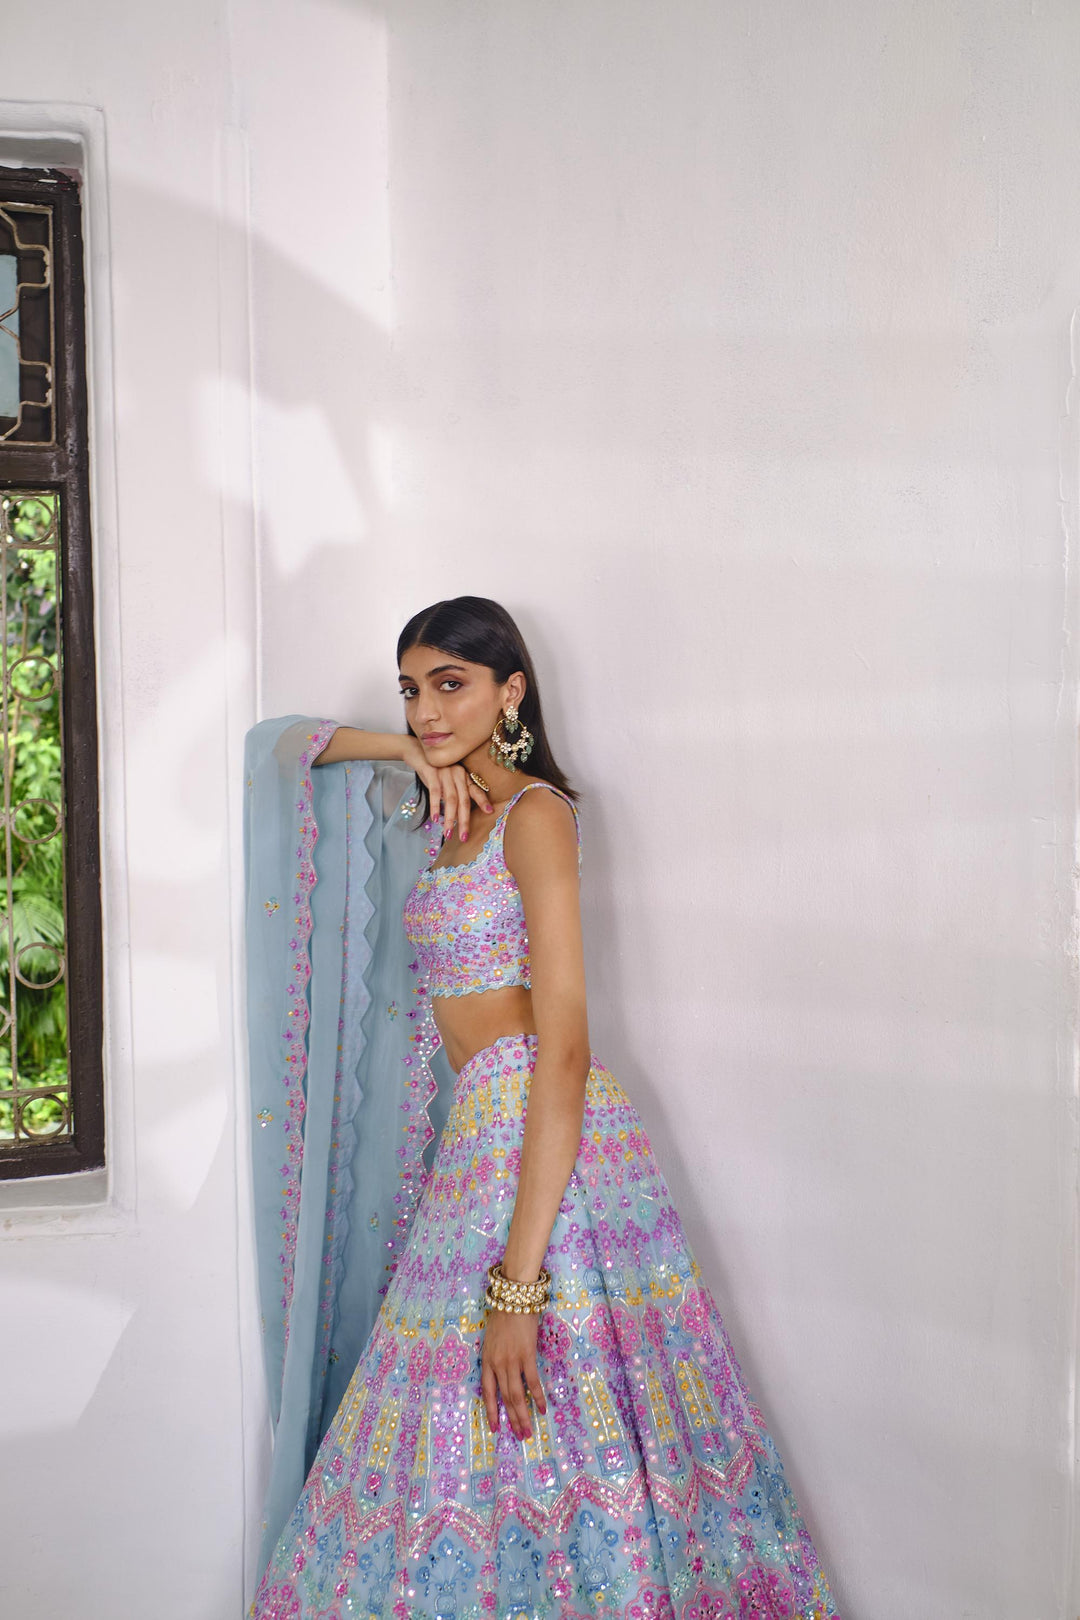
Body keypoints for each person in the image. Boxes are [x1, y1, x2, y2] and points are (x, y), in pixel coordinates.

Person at [245, 596, 840, 1619]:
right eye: (411, 690)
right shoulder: (443, 808)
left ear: (511, 690)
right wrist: (410, 750)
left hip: (545, 1138)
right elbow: (282, 748)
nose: (427, 710)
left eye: (451, 685)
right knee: (461, 1433)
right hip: (476, 1144)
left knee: (557, 1408)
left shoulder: (536, 816)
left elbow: (563, 1048)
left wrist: (519, 1288)